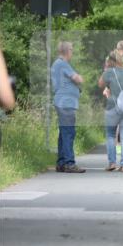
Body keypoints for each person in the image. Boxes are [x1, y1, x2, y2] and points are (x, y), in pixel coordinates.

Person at [50, 41, 86, 173]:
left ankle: (61, 163)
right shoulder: (62, 64)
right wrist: (79, 78)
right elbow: (78, 79)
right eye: (72, 49)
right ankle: (70, 163)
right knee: (69, 132)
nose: (73, 51)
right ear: (67, 51)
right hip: (66, 103)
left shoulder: (58, 64)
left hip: (64, 102)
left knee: (64, 133)